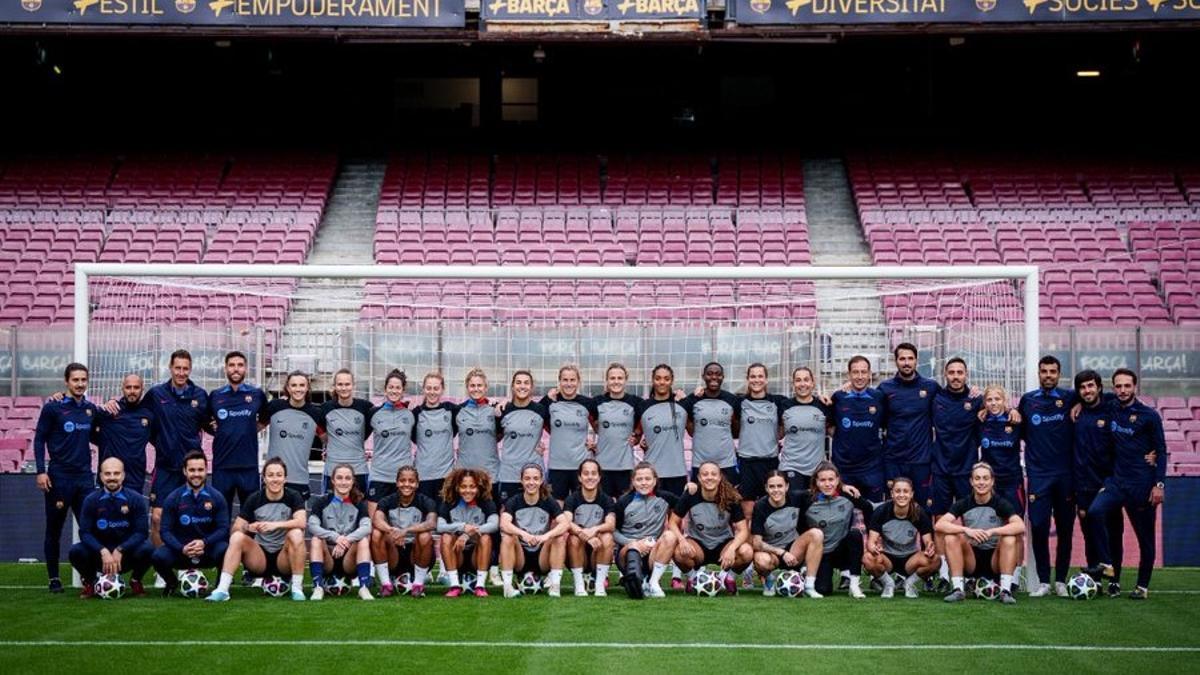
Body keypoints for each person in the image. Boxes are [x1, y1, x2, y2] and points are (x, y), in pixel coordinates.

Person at [1084, 368, 1167, 600]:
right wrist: (1077, 405)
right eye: (1118, 386)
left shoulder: (1149, 416)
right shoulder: (1110, 407)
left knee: (1145, 539)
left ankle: (1142, 586)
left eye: (1126, 386)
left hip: (1142, 485)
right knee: (1094, 512)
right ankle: (1106, 563)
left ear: (1135, 386)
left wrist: (1159, 484)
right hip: (1117, 482)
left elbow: (1161, 450)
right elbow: (1088, 398)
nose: (1122, 390)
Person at [34, 362, 99, 593]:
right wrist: (41, 470)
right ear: (66, 381)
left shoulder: (91, 410)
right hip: (59, 478)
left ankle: (90, 578)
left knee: (90, 529)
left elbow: (101, 433)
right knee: (54, 529)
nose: (80, 384)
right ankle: (54, 578)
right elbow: (39, 438)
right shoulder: (53, 407)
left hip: (84, 479)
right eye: (76, 380)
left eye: (83, 380)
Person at [206, 458, 308, 602]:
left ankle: (297, 589)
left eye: (279, 475)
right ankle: (222, 590)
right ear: (264, 478)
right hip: (260, 558)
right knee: (237, 538)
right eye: (270, 475)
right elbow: (236, 528)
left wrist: (275, 525)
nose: (275, 479)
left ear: (285, 479)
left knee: (297, 533)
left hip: (284, 558)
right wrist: (249, 527)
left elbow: (302, 522)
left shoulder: (293, 496)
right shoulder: (255, 498)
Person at [1018, 355, 1077, 597]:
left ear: (1059, 373)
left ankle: (1061, 580)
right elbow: (1019, 431)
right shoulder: (1028, 400)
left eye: (1053, 371)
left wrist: (1080, 405)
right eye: (1044, 371)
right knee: (1039, 527)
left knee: (1065, 529)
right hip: (1039, 475)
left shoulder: (1070, 397)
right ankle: (1043, 580)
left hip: (1066, 475)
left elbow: (1098, 401)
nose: (1049, 375)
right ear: (1039, 373)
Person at [142, 350, 209, 559]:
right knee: (157, 518)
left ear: (190, 369)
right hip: (165, 467)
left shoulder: (199, 395)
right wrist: (163, 444)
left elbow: (210, 424)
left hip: (192, 470)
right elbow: (140, 418)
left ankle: (190, 561)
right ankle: (164, 566)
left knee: (192, 517)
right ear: (170, 368)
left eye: (185, 369)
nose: (181, 372)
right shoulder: (156, 394)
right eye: (177, 368)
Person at [937, 462, 1025, 605]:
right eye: (977, 478)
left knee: (1009, 538)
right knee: (951, 536)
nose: (981, 482)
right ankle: (958, 589)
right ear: (971, 482)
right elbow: (940, 524)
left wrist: (993, 531)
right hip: (971, 559)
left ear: (992, 481)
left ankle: (1005, 591)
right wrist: (966, 530)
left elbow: (1020, 526)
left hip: (995, 561)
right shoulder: (964, 503)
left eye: (985, 478)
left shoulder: (1000, 503)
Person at [1072, 369, 1125, 597]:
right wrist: (1075, 402)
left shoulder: (1112, 407)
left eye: (1091, 386)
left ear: (1099, 387)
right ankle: (1096, 579)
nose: (1087, 391)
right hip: (1084, 485)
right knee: (1090, 534)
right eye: (1082, 387)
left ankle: (1115, 580)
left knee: (1114, 532)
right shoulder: (1075, 412)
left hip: (1109, 484)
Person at [70, 457, 153, 598]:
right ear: (101, 476)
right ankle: (90, 583)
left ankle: (135, 580)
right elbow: (85, 533)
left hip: (125, 556)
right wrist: (102, 551)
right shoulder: (91, 500)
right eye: (107, 474)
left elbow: (141, 532)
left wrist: (121, 549)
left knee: (148, 549)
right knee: (76, 551)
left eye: (116, 473)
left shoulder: (135, 499)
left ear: (123, 475)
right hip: (99, 556)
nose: (112, 477)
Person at [152, 450, 230, 598]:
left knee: (225, 549)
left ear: (206, 471)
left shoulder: (217, 497)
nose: (196, 474)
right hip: (181, 551)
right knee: (158, 556)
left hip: (207, 550)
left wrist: (204, 542)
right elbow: (165, 531)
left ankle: (220, 586)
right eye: (192, 470)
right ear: (184, 471)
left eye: (200, 470)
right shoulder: (173, 498)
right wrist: (182, 548)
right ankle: (172, 583)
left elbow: (223, 529)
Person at [671, 461, 754, 595]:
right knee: (679, 553)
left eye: (713, 474)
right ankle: (693, 579)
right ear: (699, 478)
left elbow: (743, 530)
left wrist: (732, 548)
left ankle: (729, 579)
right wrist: (682, 540)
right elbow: (673, 522)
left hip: (723, 545)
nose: (709, 477)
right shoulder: (691, 494)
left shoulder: (731, 497)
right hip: (698, 544)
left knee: (747, 551)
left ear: (720, 477)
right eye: (705, 474)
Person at [206, 351, 268, 517]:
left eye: (240, 365)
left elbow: (265, 419)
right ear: (225, 368)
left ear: (246, 368)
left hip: (248, 466)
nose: (236, 369)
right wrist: (219, 429)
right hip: (222, 467)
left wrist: (246, 429)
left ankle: (247, 544)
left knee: (249, 516)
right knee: (220, 515)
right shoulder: (215, 396)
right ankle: (222, 544)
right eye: (232, 365)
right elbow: (204, 421)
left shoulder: (257, 394)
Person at [878, 343, 939, 508]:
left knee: (923, 508)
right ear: (896, 361)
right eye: (902, 359)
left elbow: (953, 399)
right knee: (892, 507)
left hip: (921, 460)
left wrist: (973, 392)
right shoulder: (885, 388)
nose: (906, 362)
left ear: (916, 361)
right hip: (894, 459)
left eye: (910, 358)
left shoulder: (931, 387)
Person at [612, 461, 681, 599]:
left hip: (653, 552)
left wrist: (692, 488)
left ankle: (653, 583)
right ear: (633, 481)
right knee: (632, 550)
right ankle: (634, 579)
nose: (644, 483)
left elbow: (687, 503)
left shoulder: (665, 498)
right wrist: (632, 543)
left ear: (655, 480)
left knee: (670, 536)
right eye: (639, 479)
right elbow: (613, 532)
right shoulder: (624, 502)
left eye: (648, 479)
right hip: (627, 552)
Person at [500, 463, 571, 597]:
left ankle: (555, 587)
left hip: (541, 556)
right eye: (527, 478)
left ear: (541, 480)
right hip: (520, 556)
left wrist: (546, 536)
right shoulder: (514, 501)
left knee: (558, 537)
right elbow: (504, 523)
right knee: (508, 537)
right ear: (521, 480)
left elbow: (565, 524)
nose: (531, 482)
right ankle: (508, 587)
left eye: (535, 478)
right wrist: (523, 534)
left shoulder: (548, 501)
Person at [805, 461, 874, 598]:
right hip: (822, 553)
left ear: (837, 480)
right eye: (823, 480)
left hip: (843, 551)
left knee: (855, 534)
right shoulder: (807, 499)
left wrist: (872, 538)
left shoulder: (847, 496)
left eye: (831, 479)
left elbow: (868, 508)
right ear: (816, 482)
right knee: (823, 590)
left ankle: (854, 585)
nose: (827, 484)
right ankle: (806, 572)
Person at [750, 471, 824, 597]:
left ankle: (809, 586)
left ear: (787, 487)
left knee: (817, 534)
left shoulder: (797, 497)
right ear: (766, 488)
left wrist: (843, 487)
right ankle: (769, 580)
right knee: (761, 560)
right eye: (772, 487)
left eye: (780, 486)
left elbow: (823, 488)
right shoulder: (760, 507)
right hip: (772, 553)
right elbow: (756, 543)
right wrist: (782, 553)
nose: (776, 490)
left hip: (794, 549)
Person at [307, 463, 374, 601]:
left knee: (363, 540)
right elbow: (312, 526)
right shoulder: (321, 502)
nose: (343, 482)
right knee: (316, 539)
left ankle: (364, 588)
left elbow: (367, 527)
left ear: (353, 481)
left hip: (349, 560)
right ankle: (318, 587)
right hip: (328, 558)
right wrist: (335, 537)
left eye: (347, 478)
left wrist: (347, 540)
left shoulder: (359, 503)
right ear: (333, 480)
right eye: (340, 478)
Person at [864, 477, 938, 598]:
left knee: (935, 561)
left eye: (905, 491)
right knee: (867, 558)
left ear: (911, 494)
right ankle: (888, 584)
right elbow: (871, 542)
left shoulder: (919, 513)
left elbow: (928, 541)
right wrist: (873, 548)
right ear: (892, 494)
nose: (901, 495)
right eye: (898, 491)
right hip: (888, 558)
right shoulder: (881, 511)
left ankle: (909, 583)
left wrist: (930, 547)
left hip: (910, 559)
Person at [371, 465, 437, 598]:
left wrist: (405, 531)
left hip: (417, 553)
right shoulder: (387, 501)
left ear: (417, 484)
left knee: (425, 536)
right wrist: (392, 530)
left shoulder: (425, 501)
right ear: (397, 482)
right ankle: (386, 585)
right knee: (377, 534)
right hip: (394, 552)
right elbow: (376, 520)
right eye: (402, 480)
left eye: (411, 481)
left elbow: (432, 522)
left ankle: (418, 584)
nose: (407, 484)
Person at [259, 371, 326, 500]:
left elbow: (327, 439)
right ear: (288, 388)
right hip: (273, 477)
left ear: (307, 388)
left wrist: (328, 451)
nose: (298, 389)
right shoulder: (275, 407)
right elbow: (255, 428)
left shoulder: (315, 413)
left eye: (302, 385)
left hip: (299, 479)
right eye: (294, 385)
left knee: (298, 519)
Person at [829, 355, 887, 502]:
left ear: (869, 374)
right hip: (844, 468)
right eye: (855, 372)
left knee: (873, 514)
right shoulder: (838, 398)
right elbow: (829, 427)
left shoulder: (879, 398)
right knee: (843, 516)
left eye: (863, 372)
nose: (860, 377)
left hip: (872, 468)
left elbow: (886, 425)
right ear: (849, 375)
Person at [733, 364, 785, 526]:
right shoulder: (739, 402)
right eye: (753, 376)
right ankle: (748, 548)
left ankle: (769, 545)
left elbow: (801, 402)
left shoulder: (777, 401)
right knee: (747, 510)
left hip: (769, 461)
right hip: (747, 462)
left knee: (770, 507)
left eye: (760, 376)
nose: (757, 380)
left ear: (766, 379)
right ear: (748, 380)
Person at [437, 467, 499, 598]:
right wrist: (462, 526)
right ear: (457, 487)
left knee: (486, 538)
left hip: (476, 555)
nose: (468, 491)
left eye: (472, 487)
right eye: (463, 487)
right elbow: (440, 527)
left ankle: (480, 586)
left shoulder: (486, 501)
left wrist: (468, 534)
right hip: (457, 553)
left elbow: (494, 524)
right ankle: (454, 586)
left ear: (478, 488)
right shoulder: (449, 501)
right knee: (446, 537)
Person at [93, 373, 155, 497]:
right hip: (109, 480)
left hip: (135, 481)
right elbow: (87, 430)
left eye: (136, 388)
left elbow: (158, 439)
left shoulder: (149, 415)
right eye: (128, 387)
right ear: (122, 388)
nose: (132, 391)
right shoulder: (109, 410)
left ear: (142, 389)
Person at [679, 361, 740, 485]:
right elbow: (676, 410)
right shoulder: (694, 399)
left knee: (728, 501)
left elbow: (736, 431)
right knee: (699, 502)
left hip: (726, 463)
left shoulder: (732, 400)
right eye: (709, 374)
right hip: (700, 464)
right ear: (703, 377)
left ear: (723, 377)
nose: (713, 377)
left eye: (718, 374)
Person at [542, 364, 596, 502]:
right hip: (557, 466)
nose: (568, 384)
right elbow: (535, 419)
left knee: (581, 507)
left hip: (581, 466)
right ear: (559, 382)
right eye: (565, 380)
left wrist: (595, 443)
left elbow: (602, 427)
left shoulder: (587, 403)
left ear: (578, 382)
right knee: (557, 510)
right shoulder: (550, 402)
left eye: (572, 380)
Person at [563, 458, 616, 597]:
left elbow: (611, 524)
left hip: (597, 549)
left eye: (594, 473)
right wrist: (583, 534)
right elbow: (566, 522)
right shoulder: (572, 499)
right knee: (573, 538)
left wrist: (594, 530)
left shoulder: (606, 499)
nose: (590, 477)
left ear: (599, 477)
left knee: (608, 537)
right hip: (577, 550)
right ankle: (579, 585)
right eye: (586, 474)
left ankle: (599, 585)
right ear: (580, 478)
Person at [634, 364, 689, 496]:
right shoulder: (643, 406)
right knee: (651, 515)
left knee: (675, 515)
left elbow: (694, 431)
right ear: (652, 380)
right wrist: (635, 439)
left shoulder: (682, 403)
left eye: (666, 378)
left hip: (677, 471)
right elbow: (635, 435)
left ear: (672, 381)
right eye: (658, 378)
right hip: (651, 473)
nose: (662, 382)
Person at [496, 370, 549, 504]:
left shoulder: (541, 409)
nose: (522, 386)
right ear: (513, 386)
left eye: (526, 383)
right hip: (509, 473)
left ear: (531, 387)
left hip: (534, 474)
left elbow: (560, 431)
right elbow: (495, 438)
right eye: (518, 383)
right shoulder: (502, 410)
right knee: (506, 513)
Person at [777, 366, 832, 492]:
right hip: (791, 467)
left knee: (814, 510)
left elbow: (832, 431)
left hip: (817, 470)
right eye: (798, 380)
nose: (802, 384)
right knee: (794, 509)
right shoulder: (784, 405)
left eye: (806, 380)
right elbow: (778, 433)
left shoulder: (823, 405)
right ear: (793, 384)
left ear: (812, 383)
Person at [591, 363, 642, 497]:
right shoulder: (597, 402)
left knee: (623, 509)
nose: (616, 381)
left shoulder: (635, 402)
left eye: (620, 378)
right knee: (604, 509)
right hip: (602, 466)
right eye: (612, 378)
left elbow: (646, 421)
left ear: (625, 380)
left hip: (625, 467)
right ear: (607, 381)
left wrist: (637, 436)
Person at [367, 369, 416, 510]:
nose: (394, 391)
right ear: (385, 389)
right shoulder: (373, 413)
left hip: (403, 479)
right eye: (391, 387)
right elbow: (361, 437)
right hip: (379, 476)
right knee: (376, 527)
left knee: (401, 526)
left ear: (403, 390)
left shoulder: (410, 415)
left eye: (398, 388)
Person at [321, 369, 374, 495]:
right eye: (340, 384)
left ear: (353, 385)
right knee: (330, 510)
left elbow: (366, 433)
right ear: (334, 386)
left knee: (359, 510)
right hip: (333, 470)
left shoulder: (366, 407)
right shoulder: (325, 408)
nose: (344, 388)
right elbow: (321, 434)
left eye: (347, 384)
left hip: (359, 470)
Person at [454, 367, 502, 496]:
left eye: (479, 385)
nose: (476, 389)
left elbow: (505, 434)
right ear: (467, 387)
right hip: (464, 474)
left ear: (486, 387)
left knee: (491, 514)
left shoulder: (495, 409)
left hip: (490, 473)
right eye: (472, 385)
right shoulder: (457, 410)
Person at [412, 371, 458, 500]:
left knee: (443, 517)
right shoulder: (416, 413)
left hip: (446, 476)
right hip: (423, 476)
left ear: (442, 390)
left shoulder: (451, 410)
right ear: (423, 389)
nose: (432, 392)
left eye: (436, 388)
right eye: (429, 388)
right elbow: (413, 438)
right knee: (427, 516)